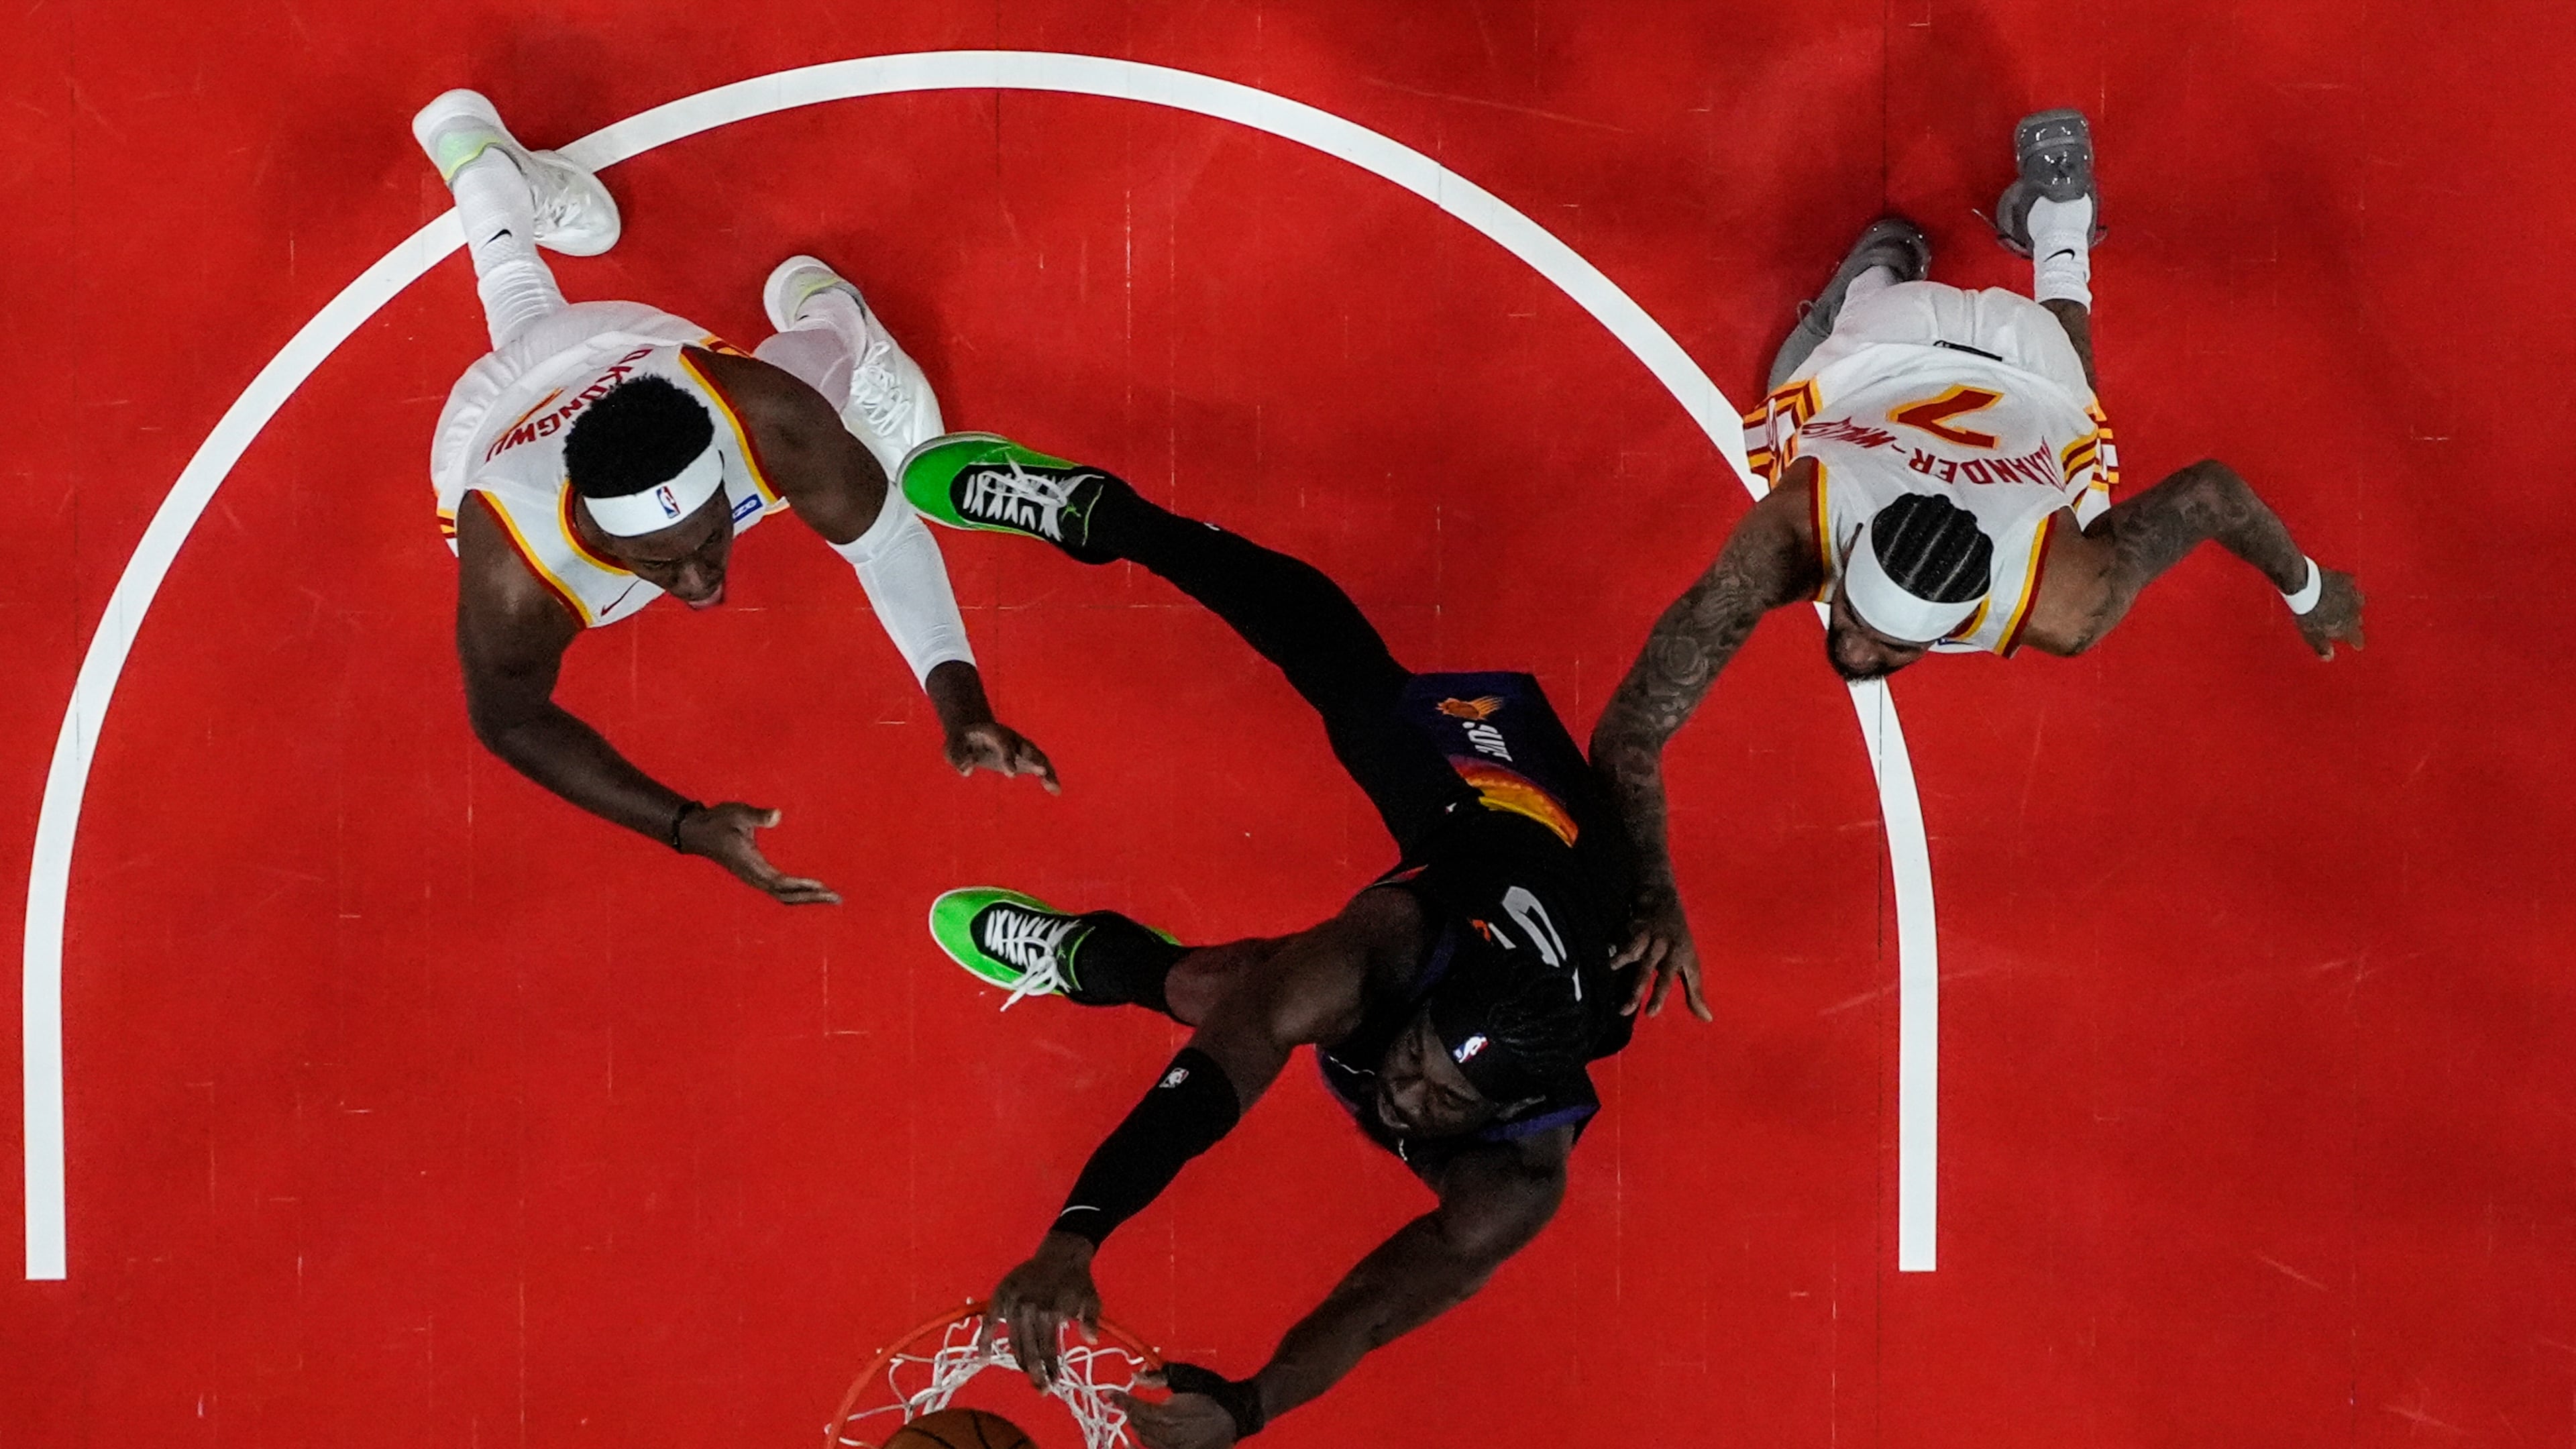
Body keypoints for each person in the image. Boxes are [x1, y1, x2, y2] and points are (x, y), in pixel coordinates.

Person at [900, 435, 1638, 1447]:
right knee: (1337, 701)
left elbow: (1376, 1307)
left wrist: (1252, 1407)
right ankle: (1105, 515)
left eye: (1442, 1103)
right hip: (1502, 829)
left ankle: (1105, 958)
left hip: (1566, 925)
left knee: (1241, 989)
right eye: (1416, 1059)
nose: (1406, 1098)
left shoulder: (1514, 1184)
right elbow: (1225, 1065)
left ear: (1506, 1110)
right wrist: (1079, 1230)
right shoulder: (1388, 945)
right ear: (1419, 1007)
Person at [1589, 109, 2368, 1014]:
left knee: (2066, 458)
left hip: (1971, 351)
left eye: (1879, 640)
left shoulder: (2058, 597)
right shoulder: (1810, 539)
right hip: (1927, 345)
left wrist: (2313, 589)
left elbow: (2213, 495)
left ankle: (2042, 222)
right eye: (1858, 621)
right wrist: (1653, 894)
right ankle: (1919, 257)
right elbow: (2210, 495)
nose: (1856, 648)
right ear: (1853, 548)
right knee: (2019, 461)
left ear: (1954, 623)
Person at [411, 89, 1055, 904]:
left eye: (710, 538)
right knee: (525, 321)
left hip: (626, 352)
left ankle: (838, 315)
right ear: (601, 537)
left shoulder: (755, 417)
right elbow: (509, 718)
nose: (698, 580)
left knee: (804, 394)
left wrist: (961, 703)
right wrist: (681, 825)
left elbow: (886, 538)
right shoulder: (514, 570)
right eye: (659, 563)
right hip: (488, 423)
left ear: (719, 485)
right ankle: (491, 180)